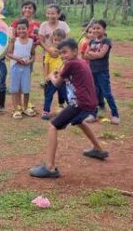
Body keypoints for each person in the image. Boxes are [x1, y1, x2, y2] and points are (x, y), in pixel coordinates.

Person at [29, 39, 108, 179]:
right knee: (78, 121)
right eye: (60, 54)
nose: (63, 56)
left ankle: (50, 167)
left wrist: (51, 76)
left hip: (80, 103)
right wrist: (60, 72)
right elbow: (67, 75)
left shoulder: (71, 64)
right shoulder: (79, 62)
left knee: (52, 126)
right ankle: (98, 149)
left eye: (65, 52)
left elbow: (58, 83)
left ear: (75, 51)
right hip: (90, 103)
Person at [82, 20, 120, 124]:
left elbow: (101, 55)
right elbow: (85, 55)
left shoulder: (106, 41)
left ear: (104, 29)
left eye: (98, 28)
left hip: (102, 72)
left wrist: (91, 53)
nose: (95, 30)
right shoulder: (91, 41)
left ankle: (115, 115)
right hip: (92, 71)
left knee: (107, 93)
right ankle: (93, 114)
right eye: (94, 28)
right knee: (94, 93)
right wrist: (95, 54)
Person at [7, 18, 37, 119]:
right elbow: (9, 53)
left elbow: (33, 54)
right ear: (16, 30)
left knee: (26, 89)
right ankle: (16, 109)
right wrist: (17, 58)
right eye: (19, 28)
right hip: (15, 67)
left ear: (28, 29)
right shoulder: (14, 40)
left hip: (26, 68)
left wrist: (30, 61)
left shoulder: (31, 41)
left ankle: (25, 107)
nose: (21, 30)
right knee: (15, 89)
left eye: (23, 28)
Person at [42, 29, 68, 120]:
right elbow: (46, 64)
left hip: (63, 78)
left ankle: (68, 110)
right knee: (48, 95)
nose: (57, 42)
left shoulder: (66, 53)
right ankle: (46, 111)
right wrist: (46, 76)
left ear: (64, 40)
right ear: (52, 39)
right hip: (51, 78)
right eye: (55, 40)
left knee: (65, 95)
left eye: (59, 40)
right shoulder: (49, 52)